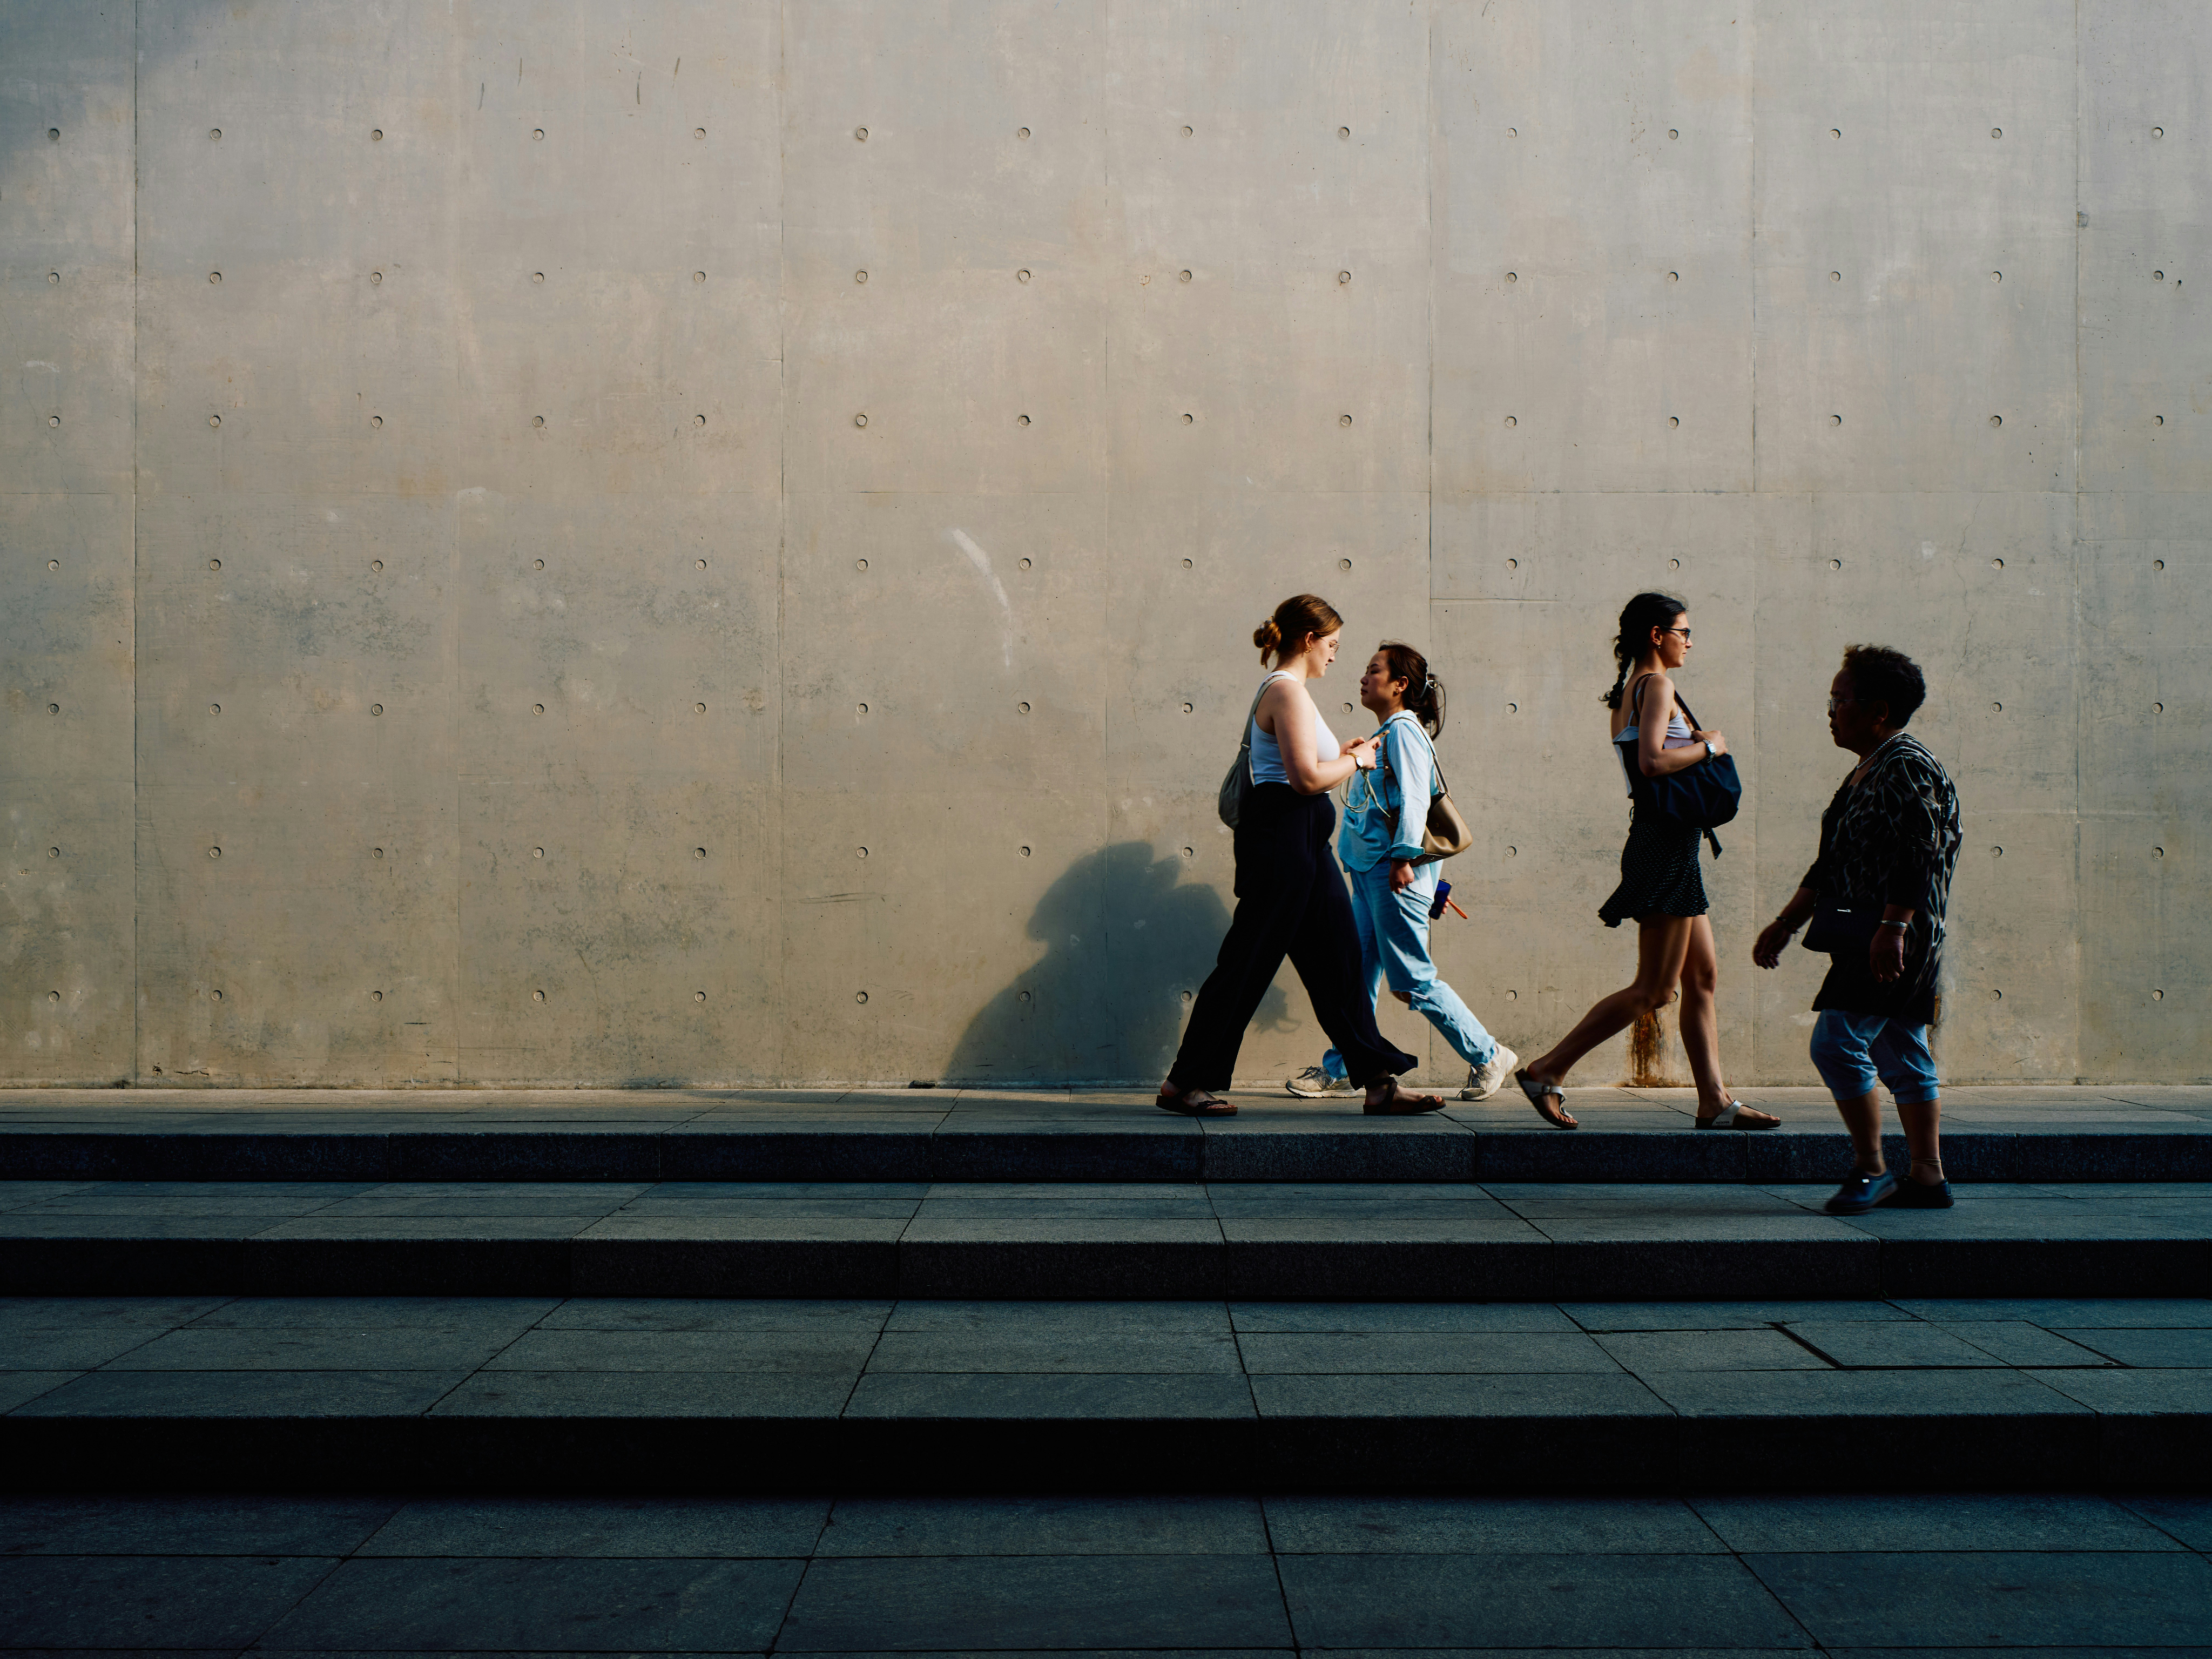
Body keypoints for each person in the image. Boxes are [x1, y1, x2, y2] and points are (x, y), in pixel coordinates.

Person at [1157, 596, 1447, 1117]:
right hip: (1281, 843)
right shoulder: (1286, 693)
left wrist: (1343, 756)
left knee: (1340, 964)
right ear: (1309, 640)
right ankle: (1185, 1083)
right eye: (1332, 645)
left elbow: (1311, 769)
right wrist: (1355, 760)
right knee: (1247, 962)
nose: (1336, 656)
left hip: (1305, 844)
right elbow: (1305, 780)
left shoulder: (1297, 696)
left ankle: (1378, 1083)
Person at [1510, 591, 1775, 1131]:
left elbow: (1643, 763)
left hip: (1666, 842)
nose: (1689, 642)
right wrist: (1712, 747)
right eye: (1683, 631)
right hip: (1664, 844)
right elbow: (1652, 763)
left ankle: (1714, 1101)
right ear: (1657, 635)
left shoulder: (1629, 690)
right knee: (1655, 989)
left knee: (1701, 977)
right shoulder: (1657, 685)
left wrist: (1694, 742)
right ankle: (1546, 1069)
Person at [1753, 645, 1962, 1213]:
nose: (1830, 710)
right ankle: (1927, 1176)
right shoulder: (1867, 768)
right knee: (1902, 1049)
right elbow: (1832, 861)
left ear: (1878, 709)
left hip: (1895, 934)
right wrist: (1786, 921)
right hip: (1873, 931)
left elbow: (1918, 852)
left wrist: (1894, 927)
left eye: (1840, 700)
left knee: (1837, 1043)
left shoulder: (1906, 765)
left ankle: (1871, 1169)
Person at [1284, 642, 1518, 1101]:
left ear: (1400, 684)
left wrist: (1405, 859)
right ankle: (1345, 1066)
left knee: (1411, 978)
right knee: (1355, 977)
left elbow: (1414, 799)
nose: (1363, 678)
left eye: (1374, 671)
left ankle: (1488, 1054)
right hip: (1371, 873)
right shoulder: (1385, 734)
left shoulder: (1405, 732)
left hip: (1394, 873)